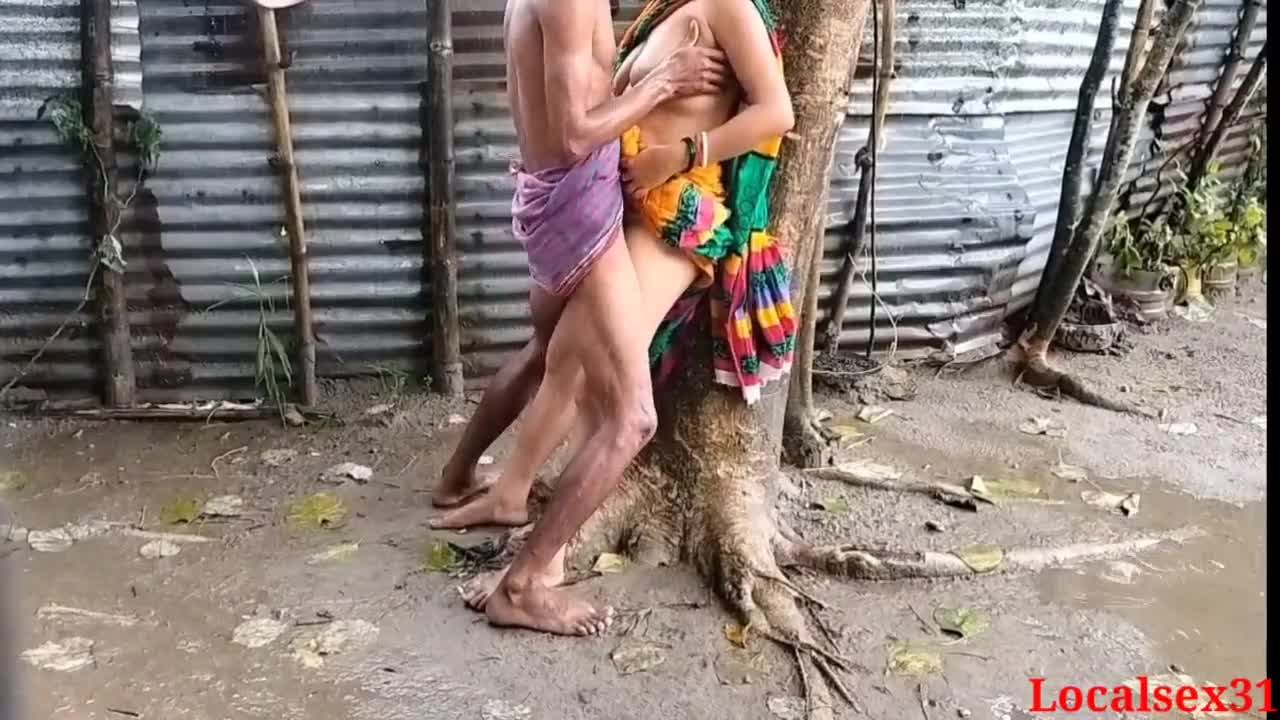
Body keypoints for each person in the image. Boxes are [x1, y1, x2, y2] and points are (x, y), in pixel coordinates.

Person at [438, 0, 797, 637]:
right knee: (567, 360)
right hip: (629, 211)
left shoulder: (730, 6)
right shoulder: (667, 9)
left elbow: (776, 112)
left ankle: (539, 570)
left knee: (600, 383)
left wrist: (682, 153)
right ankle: (516, 501)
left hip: (675, 222)